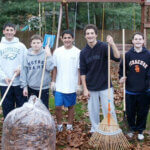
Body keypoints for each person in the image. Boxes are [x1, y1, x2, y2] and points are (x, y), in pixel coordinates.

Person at [80, 24, 120, 133]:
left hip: (105, 85)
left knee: (109, 109)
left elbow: (117, 58)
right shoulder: (83, 53)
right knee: (93, 111)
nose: (90, 35)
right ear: (85, 36)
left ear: (96, 35)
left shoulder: (104, 47)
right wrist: (85, 88)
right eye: (88, 34)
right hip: (91, 86)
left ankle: (112, 129)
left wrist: (112, 44)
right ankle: (95, 129)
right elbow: (83, 72)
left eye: (92, 33)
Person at [119, 32, 150, 140]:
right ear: (132, 41)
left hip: (144, 90)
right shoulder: (128, 55)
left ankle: (140, 130)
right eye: (135, 39)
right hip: (130, 89)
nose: (137, 41)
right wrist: (121, 78)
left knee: (143, 111)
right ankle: (132, 128)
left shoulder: (148, 54)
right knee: (130, 111)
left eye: (140, 39)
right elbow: (122, 69)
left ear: (143, 41)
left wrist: (147, 83)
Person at [51, 29, 82, 132]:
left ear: (73, 39)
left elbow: (79, 69)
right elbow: (55, 68)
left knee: (71, 106)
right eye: (65, 38)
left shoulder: (78, 52)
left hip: (72, 85)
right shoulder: (57, 51)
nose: (67, 40)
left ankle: (69, 124)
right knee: (58, 106)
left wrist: (79, 85)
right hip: (59, 84)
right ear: (61, 39)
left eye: (69, 37)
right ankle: (59, 124)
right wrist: (53, 81)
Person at [0, 22, 27, 118]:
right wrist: (4, 77)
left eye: (11, 30)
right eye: (7, 30)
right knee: (7, 106)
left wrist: (21, 69)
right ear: (3, 31)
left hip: (19, 82)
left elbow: (26, 62)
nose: (9, 32)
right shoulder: (0, 46)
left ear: (15, 32)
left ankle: (20, 125)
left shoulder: (21, 46)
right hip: (5, 82)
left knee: (21, 105)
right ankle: (9, 125)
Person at [20, 34, 54, 109]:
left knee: (43, 108)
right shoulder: (26, 56)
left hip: (43, 87)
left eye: (38, 43)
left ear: (42, 43)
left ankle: (44, 121)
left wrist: (49, 55)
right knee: (32, 109)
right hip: (31, 87)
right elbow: (24, 72)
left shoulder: (45, 54)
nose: (36, 45)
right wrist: (24, 87)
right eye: (34, 43)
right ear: (30, 44)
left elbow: (50, 68)